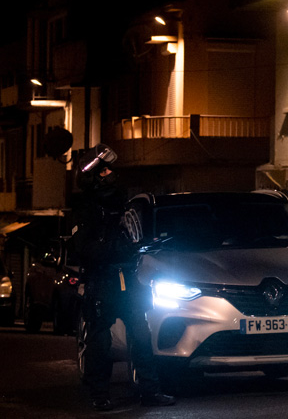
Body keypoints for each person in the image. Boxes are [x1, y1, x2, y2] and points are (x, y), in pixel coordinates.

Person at [72, 144, 175, 411]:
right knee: (99, 340)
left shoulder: (120, 202)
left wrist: (142, 246)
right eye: (104, 170)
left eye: (109, 168)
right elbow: (83, 248)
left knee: (141, 334)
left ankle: (150, 391)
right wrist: (115, 250)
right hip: (103, 280)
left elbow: (132, 236)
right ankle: (99, 394)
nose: (110, 173)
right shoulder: (87, 209)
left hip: (128, 278)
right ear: (94, 177)